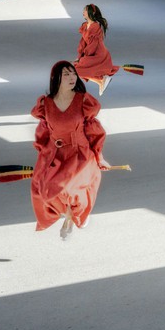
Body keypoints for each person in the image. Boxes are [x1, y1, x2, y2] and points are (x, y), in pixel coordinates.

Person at [30, 61, 109, 241]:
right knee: (46, 190)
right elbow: (43, 133)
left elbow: (94, 131)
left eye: (73, 73)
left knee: (72, 189)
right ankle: (69, 216)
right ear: (56, 78)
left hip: (80, 154)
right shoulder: (45, 104)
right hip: (55, 154)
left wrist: (99, 156)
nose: (72, 77)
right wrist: (43, 155)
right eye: (66, 74)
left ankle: (73, 216)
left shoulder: (84, 101)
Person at [75, 4, 119, 94]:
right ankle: (100, 81)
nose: (83, 12)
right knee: (77, 69)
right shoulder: (85, 26)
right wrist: (79, 56)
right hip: (90, 51)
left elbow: (93, 44)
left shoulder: (95, 26)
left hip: (97, 53)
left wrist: (84, 56)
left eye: (85, 10)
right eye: (84, 10)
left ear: (92, 12)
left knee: (78, 70)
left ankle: (102, 80)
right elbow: (83, 42)